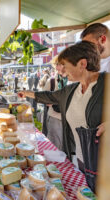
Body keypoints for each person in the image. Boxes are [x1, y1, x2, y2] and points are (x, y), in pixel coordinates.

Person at [18, 41, 105, 191]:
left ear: (82, 64)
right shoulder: (71, 90)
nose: (61, 70)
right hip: (81, 160)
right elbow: (49, 96)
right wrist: (26, 93)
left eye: (65, 65)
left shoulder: (106, 83)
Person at [41, 56, 68, 150]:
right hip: (54, 118)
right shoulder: (51, 81)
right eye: (56, 64)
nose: (57, 67)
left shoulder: (73, 80)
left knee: (66, 148)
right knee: (54, 147)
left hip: (69, 120)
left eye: (60, 64)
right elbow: (43, 97)